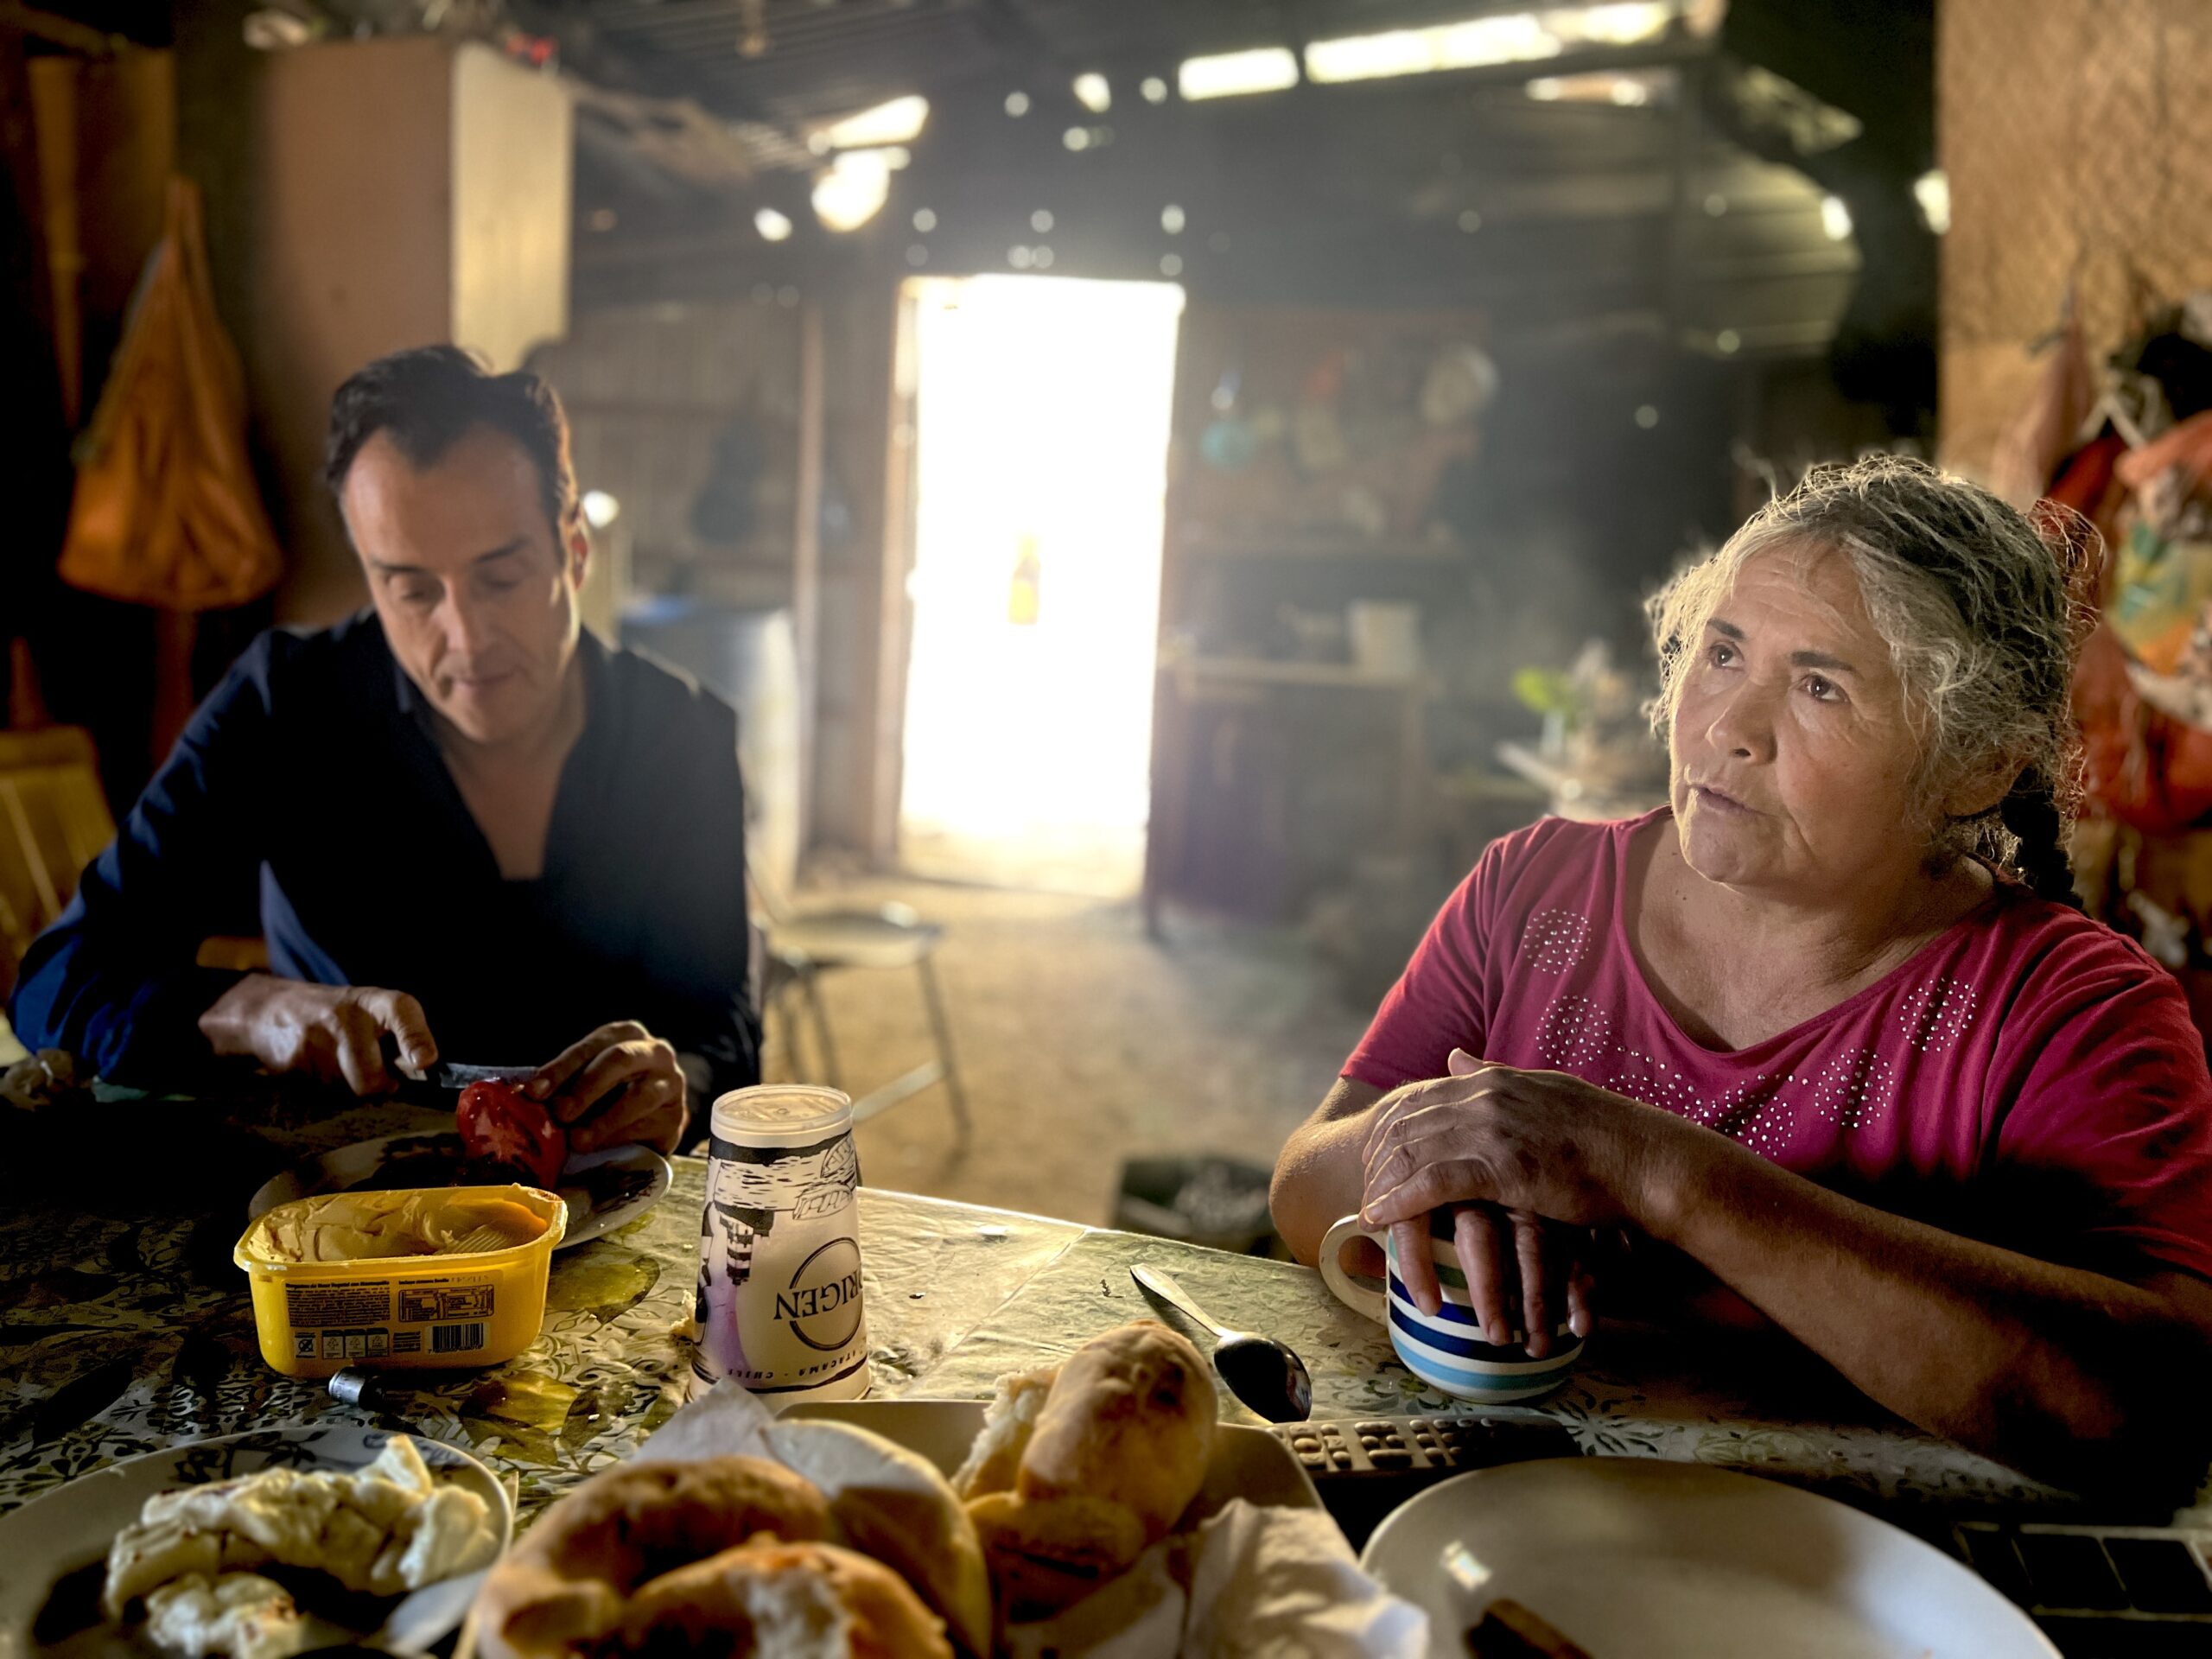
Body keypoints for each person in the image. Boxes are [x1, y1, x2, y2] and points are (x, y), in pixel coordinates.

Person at [1270, 456, 2212, 1485]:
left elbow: (2159, 1412)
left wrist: (1651, 1170)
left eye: (1819, 686)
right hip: (1509, 1511)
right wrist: (1442, 1162)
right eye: (1722, 652)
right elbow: (1304, 1181)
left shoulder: (2068, 1011)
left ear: (1976, 763)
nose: (1725, 728)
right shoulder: (1533, 891)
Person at [8, 346, 760, 1153]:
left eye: (500, 580)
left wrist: (678, 1079)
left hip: (604, 1216)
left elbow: (723, 1032)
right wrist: (256, 1010)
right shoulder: (284, 704)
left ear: (572, 552)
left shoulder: (682, 735)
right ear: (372, 581)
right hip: (340, 1219)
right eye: (413, 592)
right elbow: (59, 976)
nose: (465, 640)